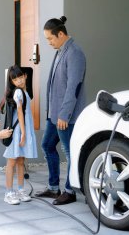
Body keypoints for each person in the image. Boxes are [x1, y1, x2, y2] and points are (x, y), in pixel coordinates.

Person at [35, 16, 86, 205]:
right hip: (54, 114)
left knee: (70, 152)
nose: (49, 43)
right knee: (47, 145)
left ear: (61, 34)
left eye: (50, 39)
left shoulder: (75, 53)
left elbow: (74, 86)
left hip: (66, 116)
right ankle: (54, 187)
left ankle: (69, 191)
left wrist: (64, 113)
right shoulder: (60, 50)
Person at [3, 65, 38, 205]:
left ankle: (20, 190)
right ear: (11, 81)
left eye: (20, 77)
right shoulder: (18, 92)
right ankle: (8, 192)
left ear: (25, 76)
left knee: (20, 161)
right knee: (12, 161)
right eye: (15, 79)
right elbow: (19, 113)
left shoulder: (25, 92)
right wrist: (23, 132)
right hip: (18, 131)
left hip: (23, 130)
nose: (18, 81)